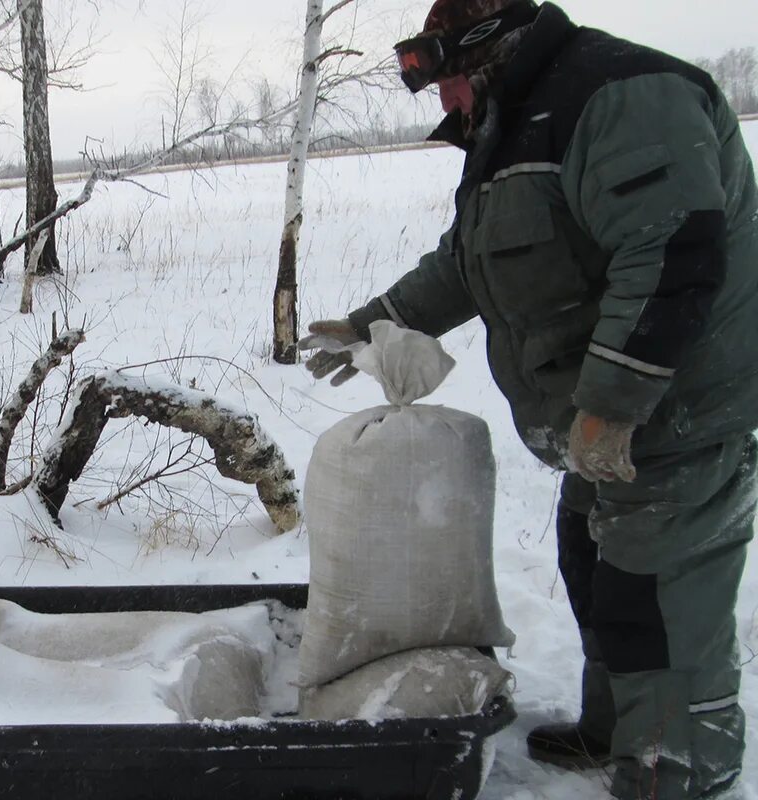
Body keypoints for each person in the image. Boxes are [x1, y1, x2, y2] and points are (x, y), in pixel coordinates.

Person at [297, 1, 758, 798]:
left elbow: (671, 254)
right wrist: (374, 325)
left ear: (487, 50)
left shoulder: (622, 95)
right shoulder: (517, 124)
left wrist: (612, 407)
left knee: (655, 595)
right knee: (592, 561)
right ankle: (618, 731)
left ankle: (676, 768)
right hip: (606, 416)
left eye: (444, 82)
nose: (442, 103)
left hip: (678, 412)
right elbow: (468, 262)